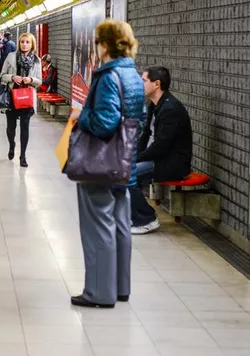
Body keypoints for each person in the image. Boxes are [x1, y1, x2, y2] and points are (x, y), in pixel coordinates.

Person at [69, 20, 144, 308]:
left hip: (99, 163)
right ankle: (120, 287)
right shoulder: (134, 76)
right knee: (121, 223)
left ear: (104, 44)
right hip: (125, 161)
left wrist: (79, 115)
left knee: (98, 223)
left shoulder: (108, 76)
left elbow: (104, 122)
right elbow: (137, 120)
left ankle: (99, 292)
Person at [131, 66, 193, 235]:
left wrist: (135, 160)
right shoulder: (154, 105)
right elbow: (146, 135)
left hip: (171, 163)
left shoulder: (170, 110)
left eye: (143, 81)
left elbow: (160, 147)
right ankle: (134, 214)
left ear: (157, 84)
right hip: (158, 159)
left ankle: (147, 219)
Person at [0, 33, 42, 168]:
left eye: (27, 42)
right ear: (19, 43)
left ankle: (23, 155)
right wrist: (12, 77)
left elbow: (39, 81)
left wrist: (30, 80)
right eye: (22, 42)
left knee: (25, 128)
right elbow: (2, 76)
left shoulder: (37, 60)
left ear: (32, 44)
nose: (24, 44)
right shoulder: (11, 56)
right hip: (12, 96)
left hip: (27, 98)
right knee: (11, 128)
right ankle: (12, 144)